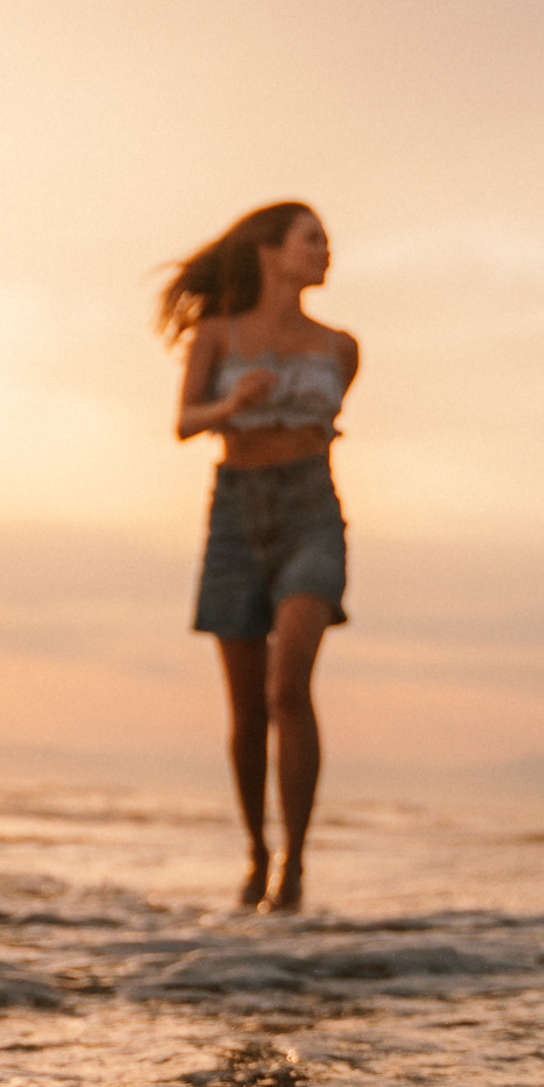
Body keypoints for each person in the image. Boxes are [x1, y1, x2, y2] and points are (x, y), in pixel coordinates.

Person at [159, 201, 357, 910]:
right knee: (246, 709)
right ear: (271, 252)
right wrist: (231, 402)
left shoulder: (341, 346)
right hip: (237, 514)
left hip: (311, 512)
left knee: (286, 689)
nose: (326, 252)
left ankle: (294, 870)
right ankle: (256, 852)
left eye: (326, 242)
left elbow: (327, 423)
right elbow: (184, 423)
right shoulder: (217, 333)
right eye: (313, 240)